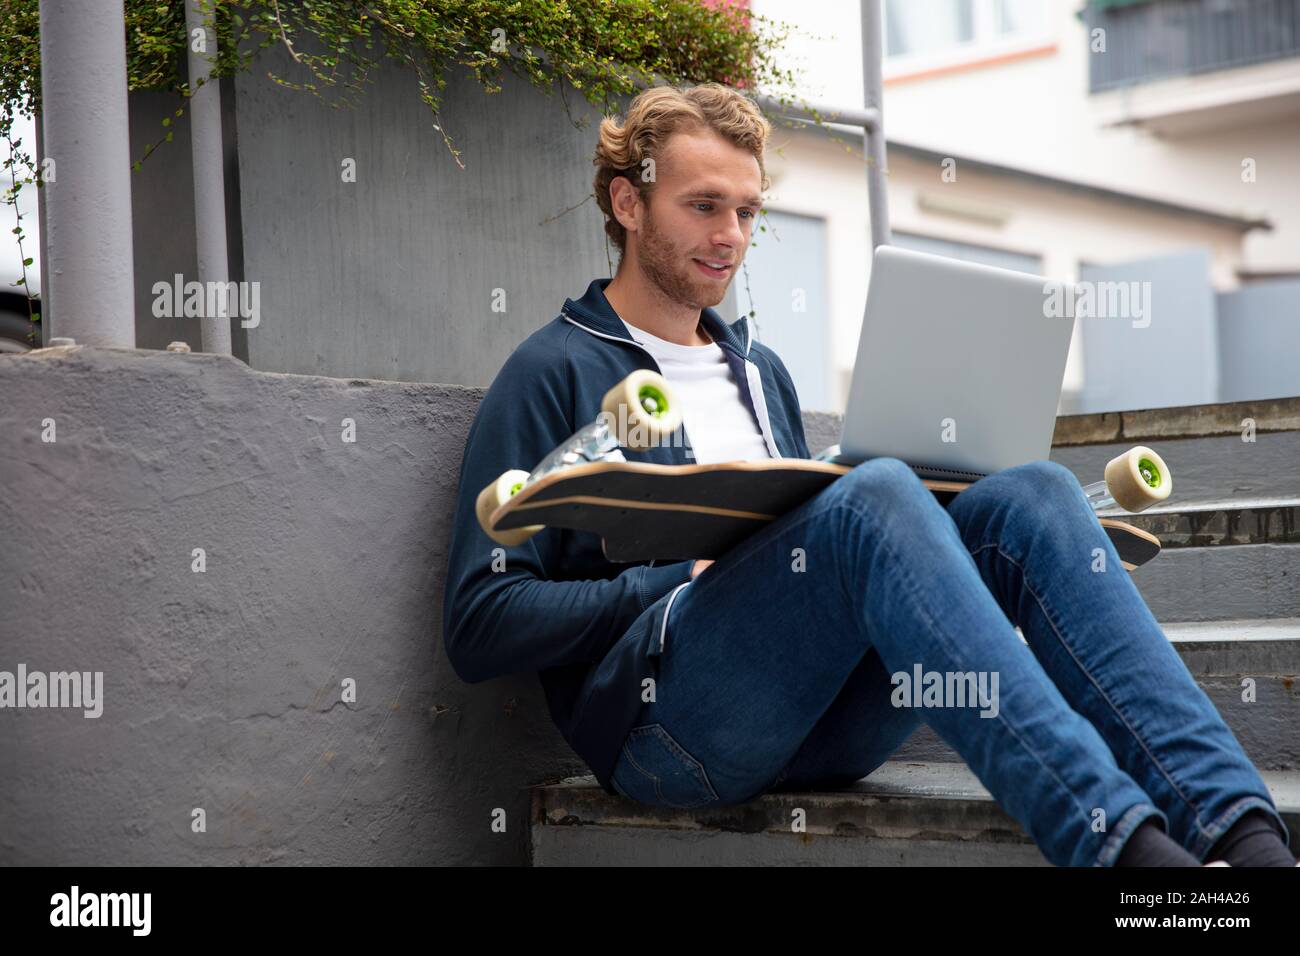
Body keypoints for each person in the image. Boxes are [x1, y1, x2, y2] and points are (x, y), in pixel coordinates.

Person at [442, 83, 1295, 868]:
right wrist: (681, 574)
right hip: (670, 734)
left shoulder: (760, 369)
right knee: (874, 494)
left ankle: (1246, 843)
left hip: (822, 725)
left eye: (746, 209)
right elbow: (480, 622)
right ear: (628, 203)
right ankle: (1135, 862)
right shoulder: (553, 369)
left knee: (1032, 495)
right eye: (702, 206)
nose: (730, 235)